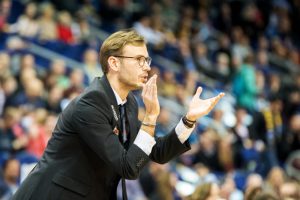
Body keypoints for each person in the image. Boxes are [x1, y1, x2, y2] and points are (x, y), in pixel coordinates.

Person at [12, 29, 224, 200]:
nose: (146, 68)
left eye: (147, 60)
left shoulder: (128, 102)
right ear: (114, 63)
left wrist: (189, 120)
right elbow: (128, 166)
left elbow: (155, 152)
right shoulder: (91, 102)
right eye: (139, 60)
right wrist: (151, 117)